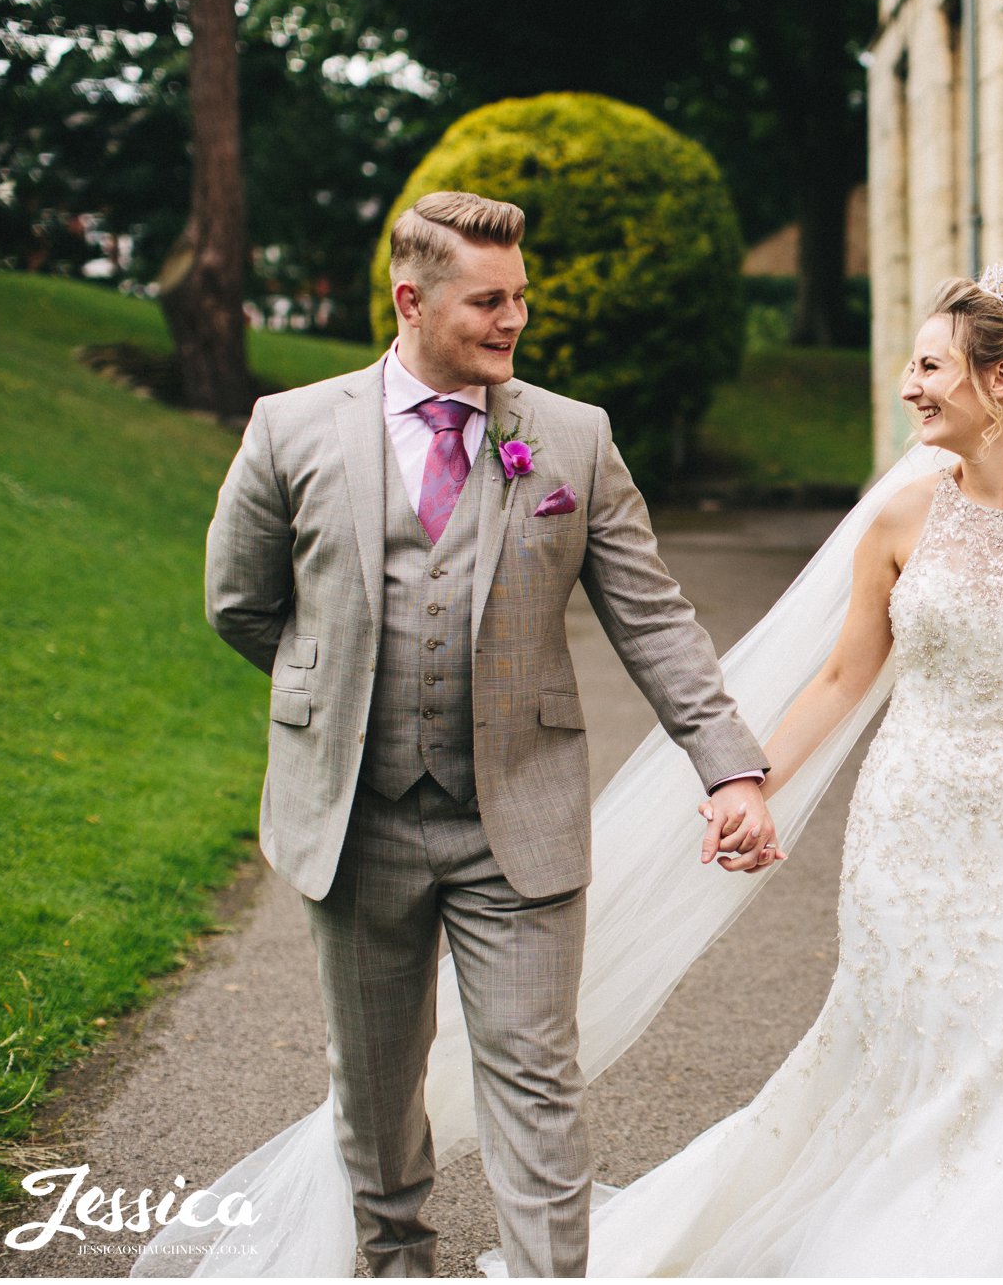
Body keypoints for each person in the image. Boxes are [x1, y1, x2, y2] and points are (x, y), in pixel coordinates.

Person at [523, 260, 1003, 1276]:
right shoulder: (899, 522)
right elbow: (844, 680)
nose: (908, 386)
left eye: (930, 366)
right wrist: (751, 783)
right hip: (910, 822)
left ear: (1000, 383)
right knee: (910, 1039)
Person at [201, 190, 778, 1277]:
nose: (513, 320)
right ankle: (394, 1259)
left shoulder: (572, 436)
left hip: (517, 815)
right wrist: (330, 689)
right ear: (410, 300)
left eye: (520, 297)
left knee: (535, 1077)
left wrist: (730, 768)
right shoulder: (292, 427)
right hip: (356, 819)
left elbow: (651, 615)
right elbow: (239, 601)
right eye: (487, 301)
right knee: (374, 1080)